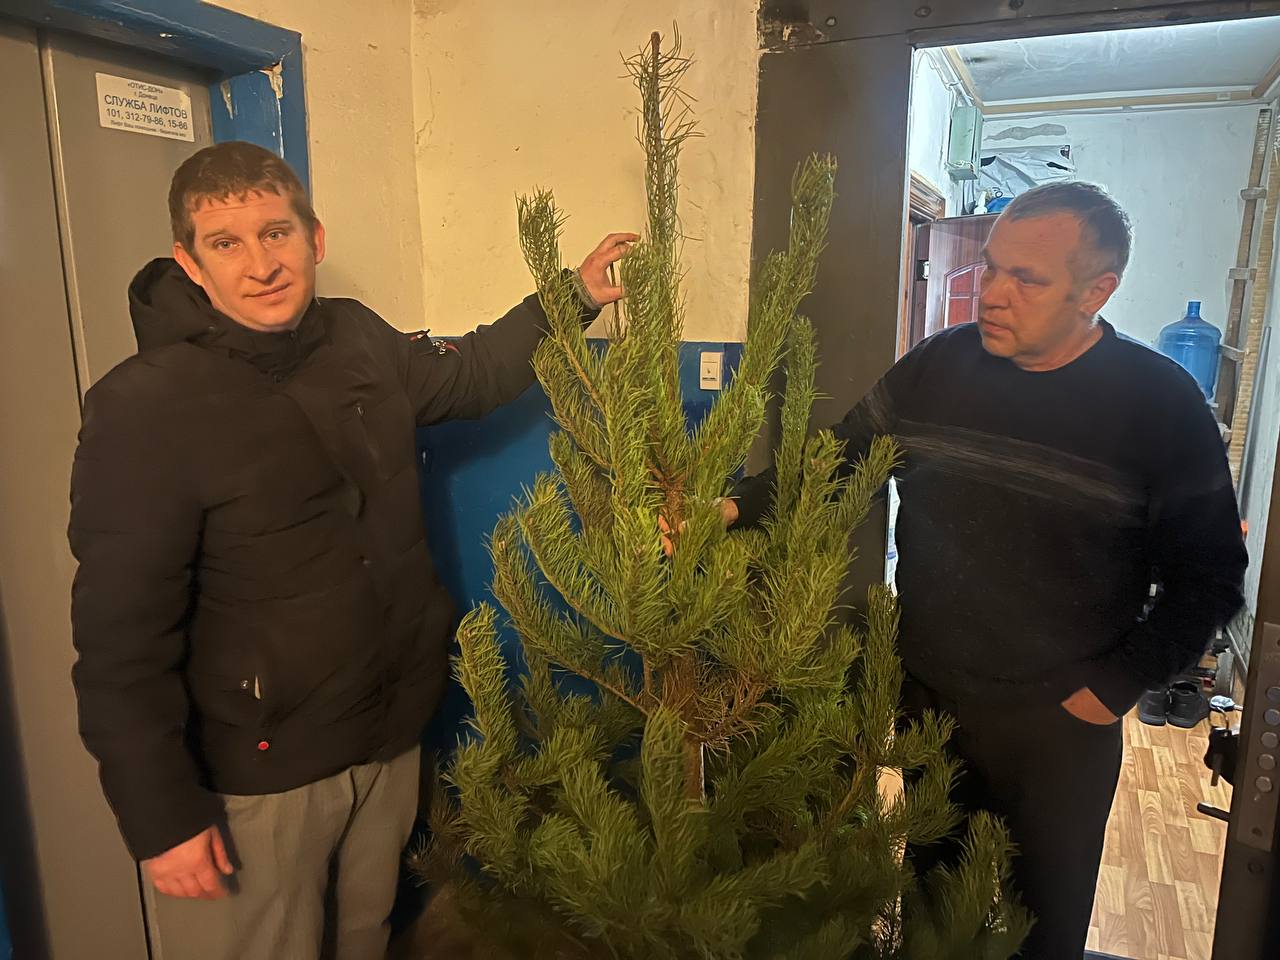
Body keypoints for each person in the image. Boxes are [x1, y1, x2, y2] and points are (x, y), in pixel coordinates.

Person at [68, 140, 634, 960]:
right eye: (226, 243)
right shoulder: (144, 407)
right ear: (189, 263)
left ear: (314, 238)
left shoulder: (358, 339)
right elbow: (119, 640)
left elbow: (470, 375)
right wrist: (161, 817)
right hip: (262, 774)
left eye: (276, 233)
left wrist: (569, 297)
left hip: (388, 737)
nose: (261, 264)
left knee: (363, 938)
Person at [726, 181, 1246, 958]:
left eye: (1026, 279)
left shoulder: (1159, 403)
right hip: (932, 704)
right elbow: (837, 459)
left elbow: (1211, 575)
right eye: (991, 268)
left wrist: (1115, 686)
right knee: (932, 916)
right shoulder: (939, 366)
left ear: (1096, 292)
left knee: (1042, 929)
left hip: (1060, 728)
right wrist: (731, 507)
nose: (991, 294)